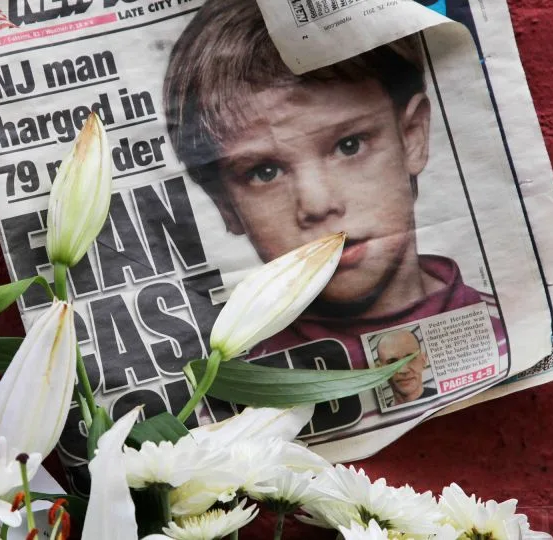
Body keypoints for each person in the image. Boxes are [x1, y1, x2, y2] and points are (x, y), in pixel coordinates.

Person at [163, 0, 506, 375]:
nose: (317, 204)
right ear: (225, 206)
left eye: (349, 145)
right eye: (264, 172)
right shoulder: (228, 383)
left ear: (412, 137)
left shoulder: (508, 327)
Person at [375, 329, 437, 407]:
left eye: (410, 358)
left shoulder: (443, 400)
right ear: (380, 370)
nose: (403, 370)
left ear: (423, 361)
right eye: (392, 362)